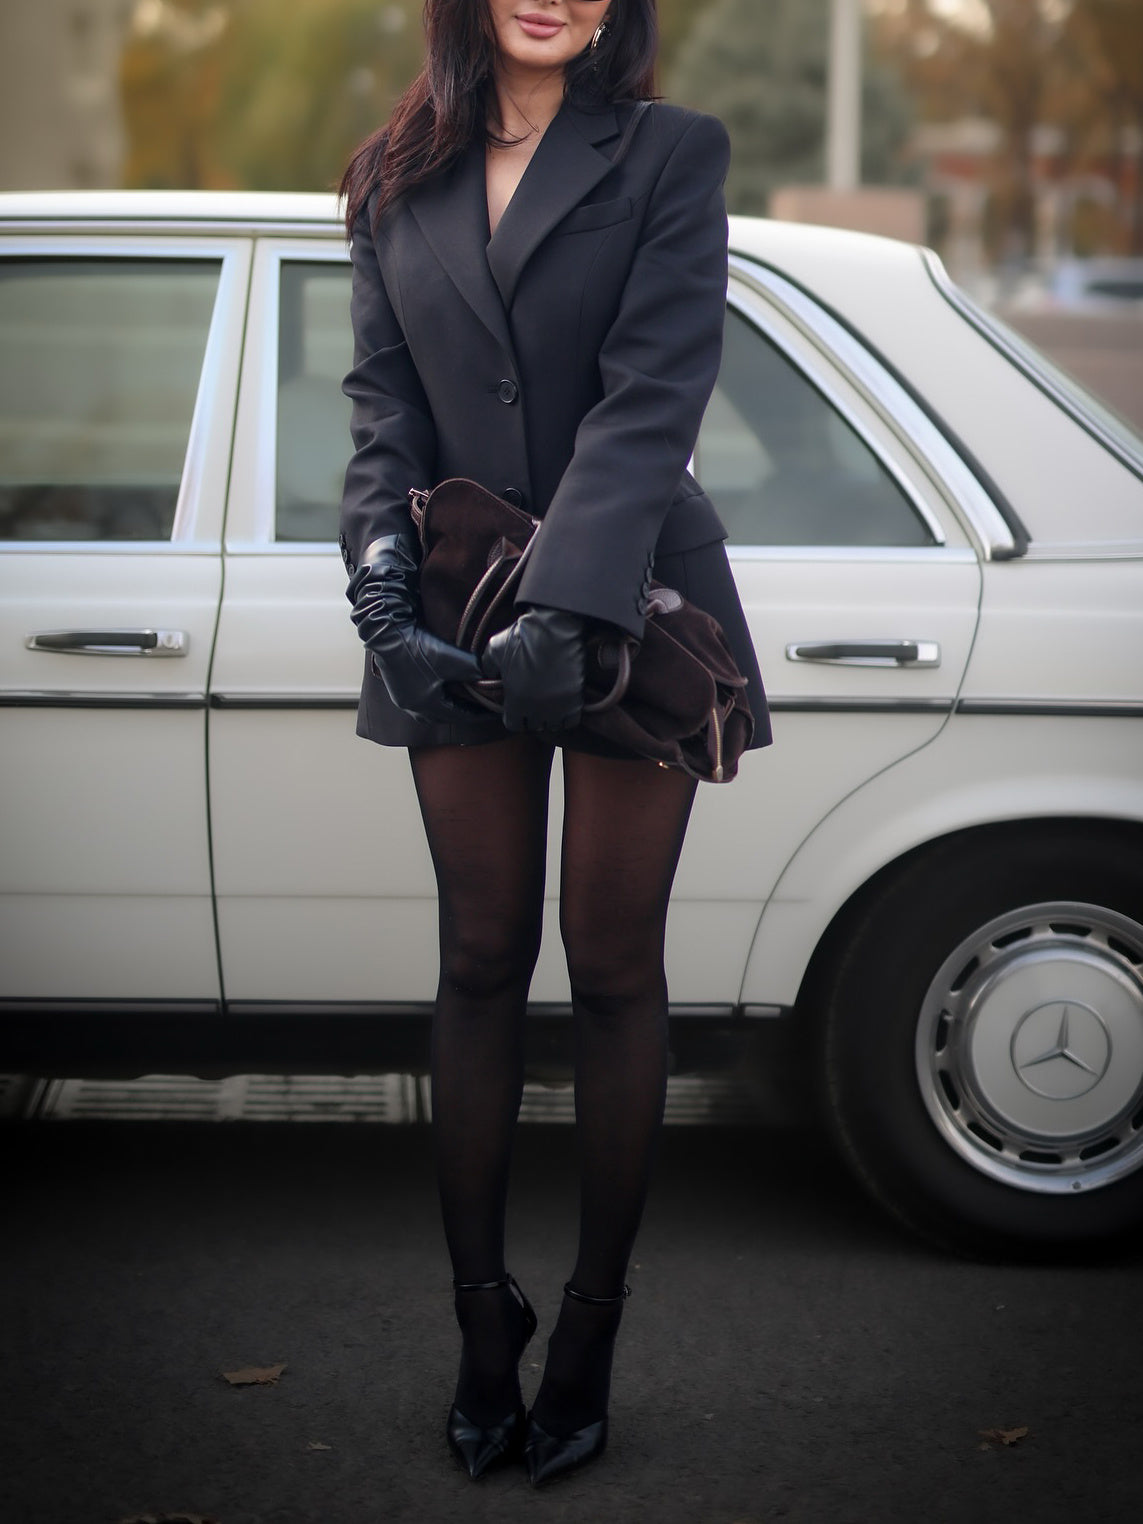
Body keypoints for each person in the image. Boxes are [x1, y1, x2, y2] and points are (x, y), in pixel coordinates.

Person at [338, 0, 770, 1488]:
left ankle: (586, 1335)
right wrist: (379, 582)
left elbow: (656, 398)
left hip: (630, 594)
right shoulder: (389, 172)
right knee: (474, 959)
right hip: (453, 594)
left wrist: (569, 604)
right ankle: (481, 1328)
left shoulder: (668, 155)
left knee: (613, 969)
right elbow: (383, 405)